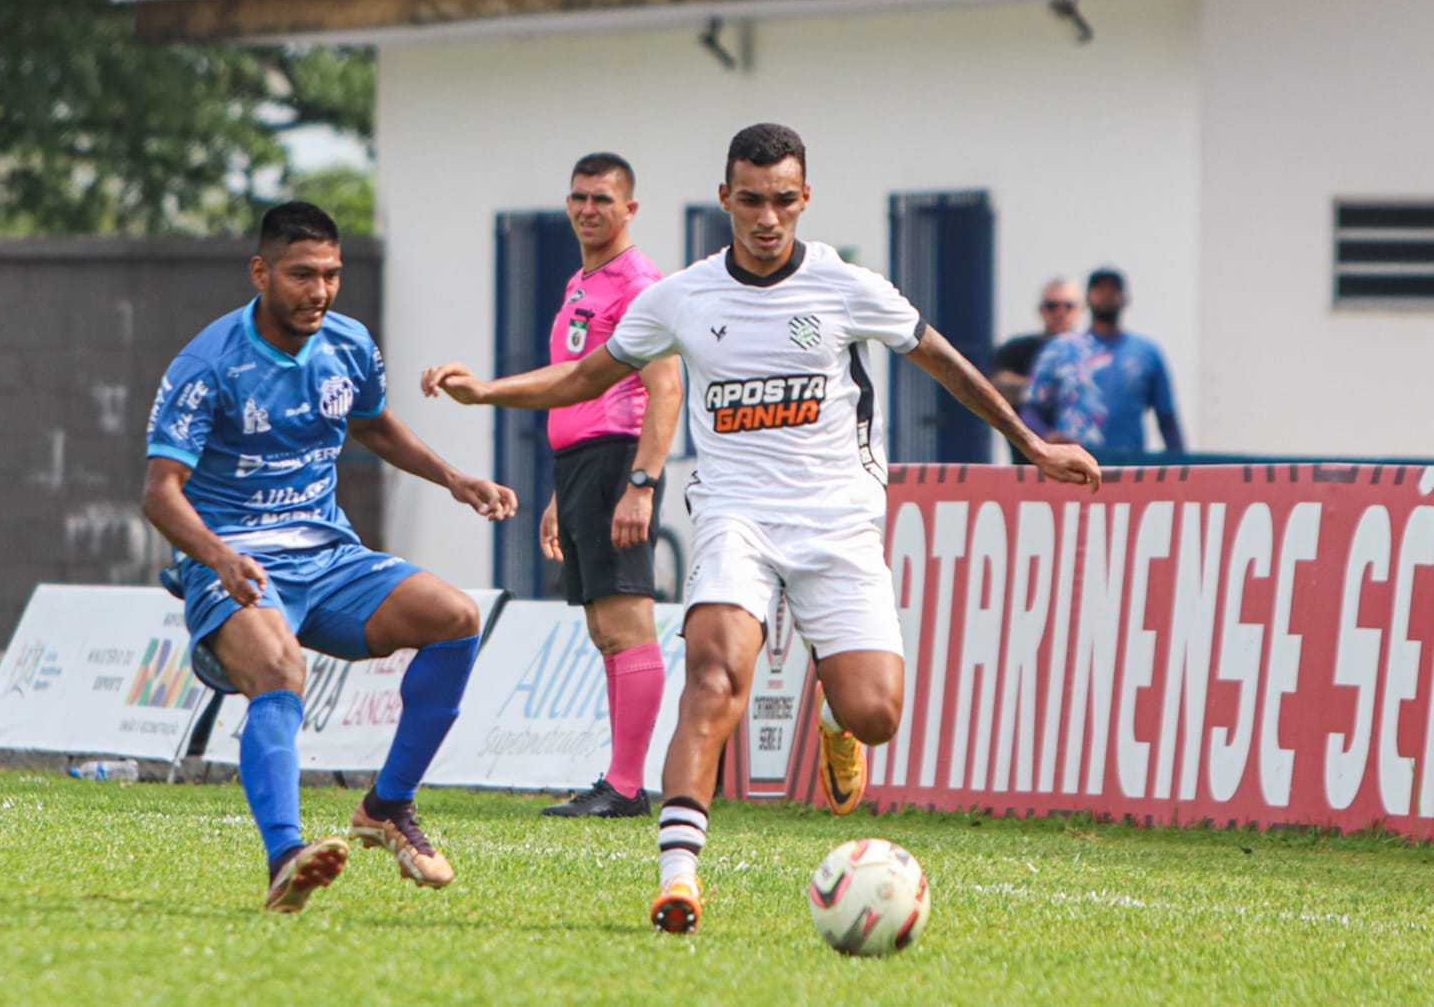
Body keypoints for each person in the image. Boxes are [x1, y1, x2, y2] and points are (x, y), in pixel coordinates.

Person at [420, 123, 1101, 935]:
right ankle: (679, 878)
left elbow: (940, 356)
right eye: (751, 200)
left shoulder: (848, 286)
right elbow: (584, 374)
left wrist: (1030, 444)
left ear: (805, 198)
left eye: (783, 199)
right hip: (734, 515)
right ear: (725, 200)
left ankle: (836, 720)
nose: (767, 217)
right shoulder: (682, 295)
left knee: (877, 712)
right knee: (714, 678)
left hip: (839, 517)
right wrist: (486, 392)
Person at [142, 201, 518, 913]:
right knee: (282, 668)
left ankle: (386, 807)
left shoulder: (348, 343)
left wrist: (455, 478)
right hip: (238, 563)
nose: (319, 290)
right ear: (261, 272)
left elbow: (374, 425)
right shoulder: (208, 364)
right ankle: (287, 856)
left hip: (328, 554)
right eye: (301, 274)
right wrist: (218, 555)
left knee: (455, 615)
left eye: (331, 274)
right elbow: (160, 493)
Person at [536, 153, 682, 818]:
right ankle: (618, 780)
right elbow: (572, 386)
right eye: (578, 198)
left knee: (626, 622)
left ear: (630, 208)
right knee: (604, 627)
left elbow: (665, 388)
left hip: (617, 458)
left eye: (601, 198)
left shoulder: (639, 284)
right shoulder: (581, 280)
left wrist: (642, 483)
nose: (587, 209)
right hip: (579, 467)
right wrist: (555, 497)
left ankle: (626, 785)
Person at [1021, 266, 1185, 455]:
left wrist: (1182, 471)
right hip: (1074, 467)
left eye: (1113, 289)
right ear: (1087, 298)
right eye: (1099, 289)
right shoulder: (1061, 349)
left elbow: (1167, 418)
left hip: (1129, 467)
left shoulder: (1147, 352)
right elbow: (1031, 410)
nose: (1106, 295)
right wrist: (1047, 439)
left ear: (1125, 298)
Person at [990, 278, 1082, 463]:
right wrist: (1049, 387)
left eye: (1068, 306)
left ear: (1080, 310)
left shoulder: (1091, 353)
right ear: (1041, 310)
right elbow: (996, 387)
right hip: (1028, 460)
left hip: (1083, 458)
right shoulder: (1017, 349)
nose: (1060, 312)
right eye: (1052, 306)